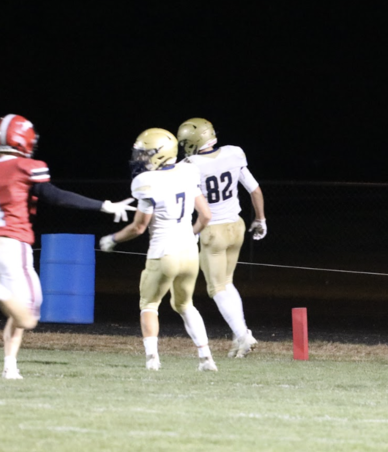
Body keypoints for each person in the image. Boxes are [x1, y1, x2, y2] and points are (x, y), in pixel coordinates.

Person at [0, 113, 134, 380]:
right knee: (29, 316)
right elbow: (56, 197)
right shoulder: (25, 166)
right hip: (12, 245)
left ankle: (9, 365)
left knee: (25, 306)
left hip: (9, 245)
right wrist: (104, 205)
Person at [99, 128, 217, 372]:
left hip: (164, 253)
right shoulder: (188, 172)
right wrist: (189, 236)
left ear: (160, 154)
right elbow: (205, 216)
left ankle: (153, 360)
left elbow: (139, 227)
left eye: (146, 154)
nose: (141, 159)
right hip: (189, 252)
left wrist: (112, 239)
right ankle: (206, 358)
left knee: (149, 305)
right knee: (185, 305)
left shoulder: (146, 181)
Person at [176, 118, 266, 358]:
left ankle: (243, 336)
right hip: (236, 226)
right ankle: (240, 334)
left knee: (216, 287)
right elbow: (254, 189)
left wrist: (189, 232)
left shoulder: (189, 165)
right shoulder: (233, 153)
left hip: (212, 229)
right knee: (227, 282)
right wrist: (261, 219)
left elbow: (185, 203)